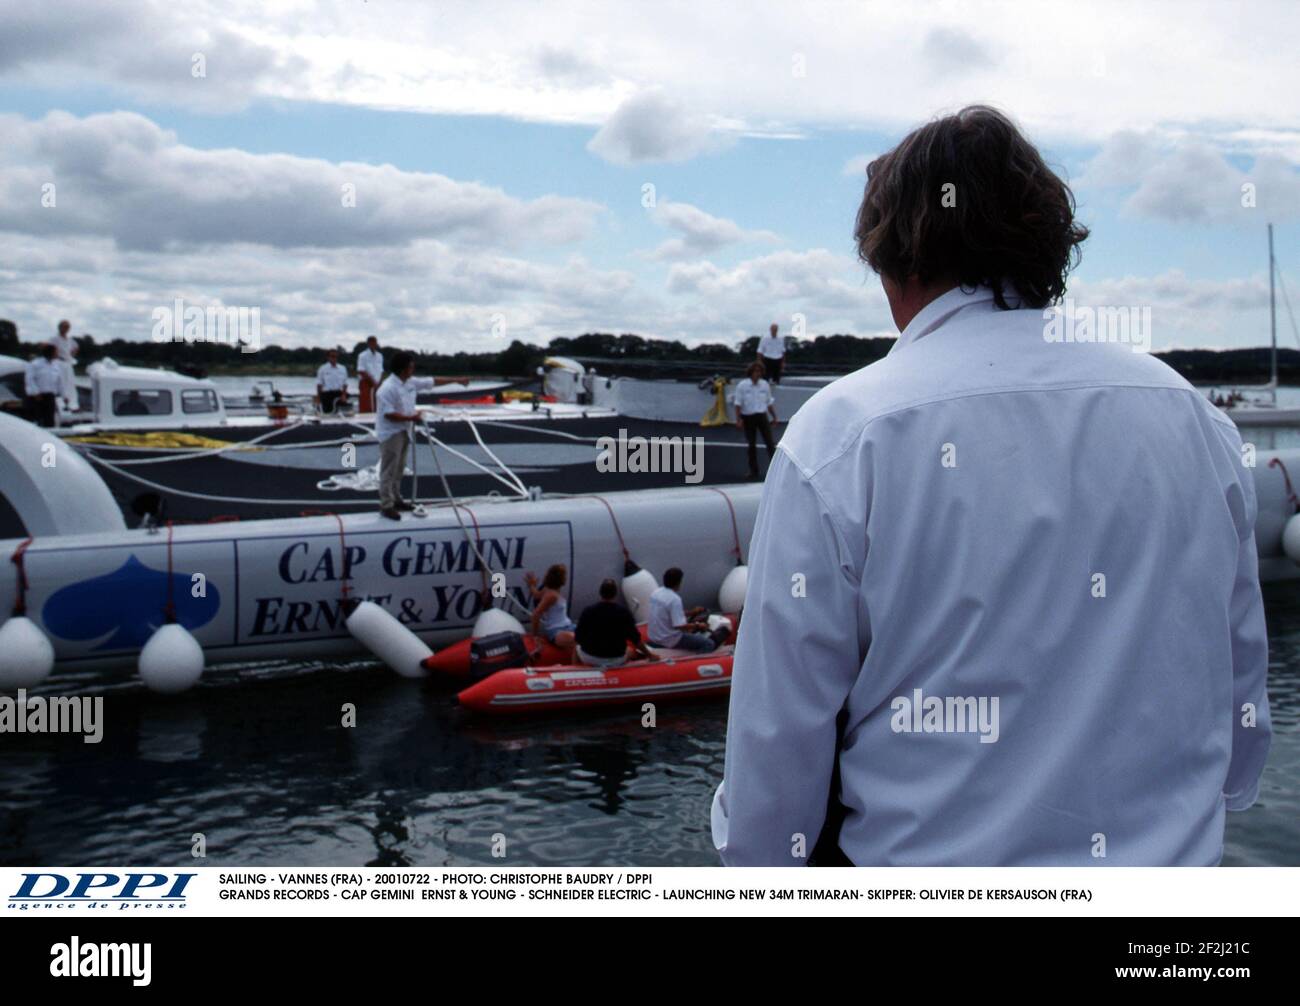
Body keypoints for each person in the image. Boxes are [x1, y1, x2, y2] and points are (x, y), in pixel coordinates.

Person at [712, 105, 1271, 867]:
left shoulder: (841, 436)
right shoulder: (1192, 418)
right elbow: (1240, 708)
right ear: (1048, 248)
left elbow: (774, 771)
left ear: (892, 256)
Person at [374, 350, 434, 520]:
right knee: (388, 469)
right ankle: (386, 505)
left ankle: (396, 499)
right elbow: (389, 414)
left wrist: (457, 381)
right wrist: (412, 417)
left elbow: (430, 382)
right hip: (390, 433)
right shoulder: (387, 388)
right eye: (411, 367)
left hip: (403, 431)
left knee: (399, 469)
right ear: (403, 369)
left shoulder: (407, 382)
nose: (413, 370)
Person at [575, 579, 652, 667]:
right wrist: (650, 655)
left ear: (600, 593)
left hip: (590, 657)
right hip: (615, 660)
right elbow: (636, 640)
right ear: (615, 594)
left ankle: (574, 671)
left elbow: (578, 638)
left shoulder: (588, 611)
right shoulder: (624, 613)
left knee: (576, 648)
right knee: (630, 651)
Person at [647, 567, 722, 653]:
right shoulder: (674, 599)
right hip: (669, 639)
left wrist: (692, 612)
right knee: (708, 643)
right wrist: (698, 625)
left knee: (692, 634)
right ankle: (698, 663)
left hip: (655, 636)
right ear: (678, 582)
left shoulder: (656, 593)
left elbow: (669, 613)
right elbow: (679, 626)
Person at [732, 360, 778, 479]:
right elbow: (738, 403)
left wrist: (774, 417)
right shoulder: (742, 385)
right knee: (751, 445)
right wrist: (738, 419)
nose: (758, 373)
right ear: (751, 372)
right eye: (756, 371)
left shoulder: (765, 385)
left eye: (760, 371)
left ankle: (776, 470)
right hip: (748, 417)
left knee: (770, 443)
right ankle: (753, 471)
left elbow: (769, 402)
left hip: (762, 416)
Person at [526, 564, 576, 652]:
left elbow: (537, 595)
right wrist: (535, 636)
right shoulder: (551, 596)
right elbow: (535, 614)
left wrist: (532, 585)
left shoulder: (548, 590)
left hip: (568, 626)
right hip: (556, 631)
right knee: (582, 639)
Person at [25, 344, 61, 428]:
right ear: (51, 352)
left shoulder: (56, 365)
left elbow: (58, 381)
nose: (57, 353)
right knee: (37, 420)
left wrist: (63, 394)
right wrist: (36, 392)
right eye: (56, 352)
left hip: (50, 396)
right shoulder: (35, 364)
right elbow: (29, 379)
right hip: (37, 397)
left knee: (49, 421)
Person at [48, 320, 78, 410]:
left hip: (68, 363)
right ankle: (60, 405)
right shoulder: (54, 339)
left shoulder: (70, 340)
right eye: (64, 327)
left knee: (70, 383)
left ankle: (72, 404)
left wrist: (72, 355)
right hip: (58, 362)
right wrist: (55, 355)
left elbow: (76, 347)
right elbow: (48, 347)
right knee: (61, 384)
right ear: (59, 327)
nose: (66, 329)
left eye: (67, 327)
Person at [315, 349, 349, 414]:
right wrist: (318, 397)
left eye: (336, 356)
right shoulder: (322, 369)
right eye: (332, 356)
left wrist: (344, 395)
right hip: (327, 394)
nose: (334, 358)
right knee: (327, 413)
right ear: (328, 357)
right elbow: (319, 384)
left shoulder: (342, 368)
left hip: (339, 394)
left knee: (341, 413)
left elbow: (345, 383)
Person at [357, 335, 384, 413]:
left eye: (374, 342)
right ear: (368, 343)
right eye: (371, 342)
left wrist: (380, 382)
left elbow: (381, 370)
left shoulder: (380, 356)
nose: (373, 344)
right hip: (366, 383)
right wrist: (372, 382)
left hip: (378, 384)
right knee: (366, 405)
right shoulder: (362, 355)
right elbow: (361, 370)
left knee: (378, 403)